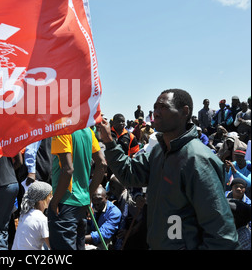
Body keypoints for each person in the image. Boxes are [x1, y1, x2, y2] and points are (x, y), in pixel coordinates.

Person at [97, 88, 239, 249]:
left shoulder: (198, 160)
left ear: (184, 112)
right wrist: (109, 142)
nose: (156, 113)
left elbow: (221, 235)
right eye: (155, 107)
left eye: (163, 107)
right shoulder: (159, 151)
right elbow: (129, 174)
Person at [47, 127, 106, 250]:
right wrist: (88, 195)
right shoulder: (87, 131)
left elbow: (68, 170)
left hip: (64, 205)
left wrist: (54, 202)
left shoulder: (61, 129)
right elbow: (102, 164)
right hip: (82, 204)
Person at [12, 181, 52, 250]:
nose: (52, 198)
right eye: (50, 196)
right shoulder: (41, 219)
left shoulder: (24, 214)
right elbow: (52, 246)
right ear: (41, 200)